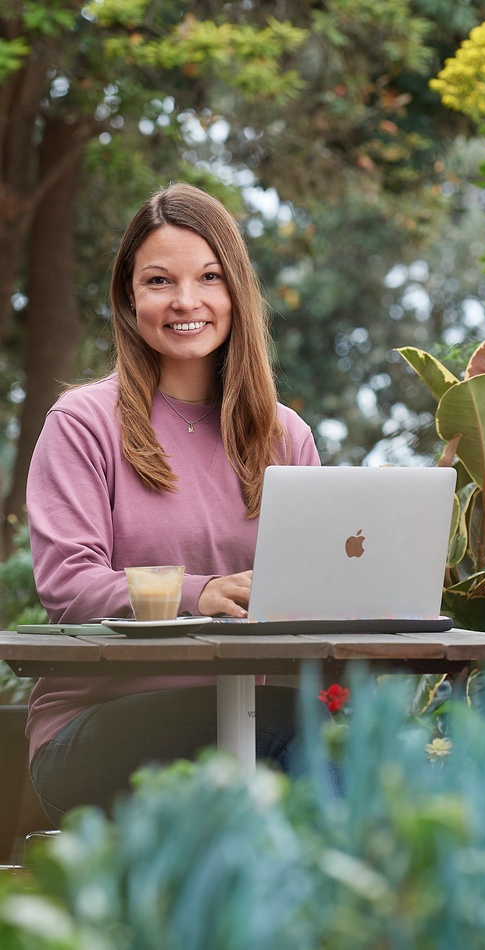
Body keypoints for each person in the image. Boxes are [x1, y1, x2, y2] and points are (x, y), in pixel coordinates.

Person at [25, 182, 323, 825]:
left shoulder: (284, 435)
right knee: (296, 738)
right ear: (129, 298)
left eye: (209, 277)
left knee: (347, 739)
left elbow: (315, 589)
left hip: (253, 713)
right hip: (96, 727)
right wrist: (200, 594)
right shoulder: (83, 423)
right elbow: (67, 583)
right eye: (160, 281)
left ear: (236, 292)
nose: (186, 301)